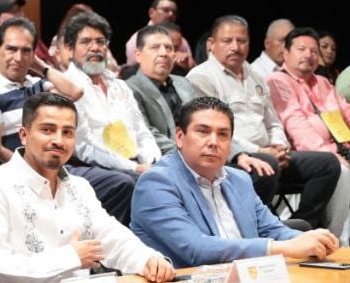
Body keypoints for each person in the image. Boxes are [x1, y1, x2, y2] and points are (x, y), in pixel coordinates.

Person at [0, 92, 174, 283]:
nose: (58, 140)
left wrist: (149, 260)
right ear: (24, 135)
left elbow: (111, 237)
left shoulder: (79, 187)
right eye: (47, 130)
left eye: (67, 132)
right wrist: (70, 257)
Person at [131, 98, 340, 267]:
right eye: (203, 131)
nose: (214, 142)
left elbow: (272, 229)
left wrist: (312, 240)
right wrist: (285, 248)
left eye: (223, 134)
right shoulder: (156, 183)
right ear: (179, 136)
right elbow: (196, 249)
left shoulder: (239, 179)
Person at [187, 15, 342, 231]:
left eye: (242, 41)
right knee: (266, 165)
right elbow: (213, 131)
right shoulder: (201, 77)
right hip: (235, 158)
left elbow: (273, 121)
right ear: (212, 44)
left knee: (327, 164)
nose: (236, 47)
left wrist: (279, 146)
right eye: (227, 41)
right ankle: (256, 229)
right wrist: (261, 151)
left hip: (272, 155)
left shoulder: (255, 75)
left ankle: (299, 227)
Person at [60, 11, 162, 224]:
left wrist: (153, 161)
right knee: (134, 183)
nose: (95, 48)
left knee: (171, 177)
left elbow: (141, 131)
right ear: (69, 49)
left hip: (134, 162)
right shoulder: (67, 88)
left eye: (100, 42)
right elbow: (85, 147)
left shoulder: (120, 85)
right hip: (92, 166)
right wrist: (136, 168)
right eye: (85, 42)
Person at [264, 27, 350, 241]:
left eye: (313, 51)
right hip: (306, 155)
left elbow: (346, 113)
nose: (309, 55)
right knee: (341, 169)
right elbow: (297, 127)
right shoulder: (277, 80)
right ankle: (338, 241)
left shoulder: (323, 82)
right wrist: (331, 155)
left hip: (342, 147)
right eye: (301, 49)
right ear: (286, 52)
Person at [0, 17, 83, 163]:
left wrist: (40, 67)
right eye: (11, 49)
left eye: (26, 51)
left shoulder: (37, 83)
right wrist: (35, 170)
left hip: (55, 163)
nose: (18, 58)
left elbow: (75, 92)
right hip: (22, 170)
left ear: (33, 55)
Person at [126, 24, 204, 155]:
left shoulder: (183, 83)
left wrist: (236, 153)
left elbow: (205, 120)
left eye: (168, 48)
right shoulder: (129, 88)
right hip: (167, 158)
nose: (163, 53)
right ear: (138, 55)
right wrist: (188, 154)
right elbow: (146, 133)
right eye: (155, 47)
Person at [123, 0, 193, 68]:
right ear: (151, 12)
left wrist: (190, 65)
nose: (171, 14)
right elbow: (132, 70)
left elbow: (191, 65)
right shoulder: (137, 39)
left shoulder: (182, 40)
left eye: (174, 12)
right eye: (166, 10)